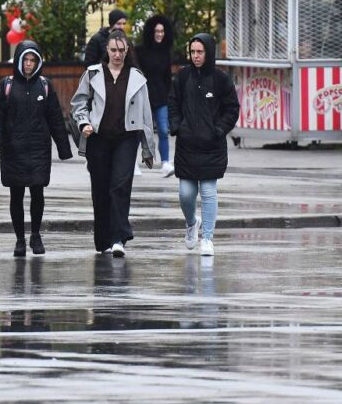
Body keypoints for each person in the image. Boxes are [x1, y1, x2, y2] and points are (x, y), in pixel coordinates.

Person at [71, 28, 154, 258]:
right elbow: (78, 103)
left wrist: (148, 149)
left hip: (127, 138)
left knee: (120, 185)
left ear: (127, 51)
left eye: (121, 50)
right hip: (98, 138)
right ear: (106, 50)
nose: (117, 54)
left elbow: (146, 115)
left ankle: (119, 238)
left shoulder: (137, 78)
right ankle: (103, 240)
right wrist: (84, 123)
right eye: (113, 50)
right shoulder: (93, 74)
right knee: (100, 188)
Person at [0, 40, 73, 258]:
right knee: (16, 194)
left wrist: (64, 148)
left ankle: (35, 234)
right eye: (25, 60)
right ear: (18, 60)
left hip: (38, 148)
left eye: (32, 60)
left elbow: (55, 118)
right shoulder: (6, 86)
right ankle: (19, 239)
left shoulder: (44, 85)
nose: (28, 64)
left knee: (37, 191)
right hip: (13, 149)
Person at [169, 33, 241, 256]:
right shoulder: (182, 77)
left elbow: (232, 108)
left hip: (212, 145)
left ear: (208, 52)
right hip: (187, 146)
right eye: (193, 52)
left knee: (209, 191)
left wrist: (219, 130)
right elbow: (173, 104)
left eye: (200, 52)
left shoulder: (221, 79)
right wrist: (177, 127)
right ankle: (192, 223)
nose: (196, 56)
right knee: (186, 193)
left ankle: (208, 238)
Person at [136, 14, 175, 176]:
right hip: (144, 96)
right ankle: (133, 164)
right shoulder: (140, 51)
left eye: (162, 31)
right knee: (140, 131)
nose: (160, 34)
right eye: (157, 31)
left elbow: (167, 76)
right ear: (151, 32)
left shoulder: (166, 52)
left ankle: (165, 162)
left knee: (164, 130)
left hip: (161, 98)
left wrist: (169, 95)